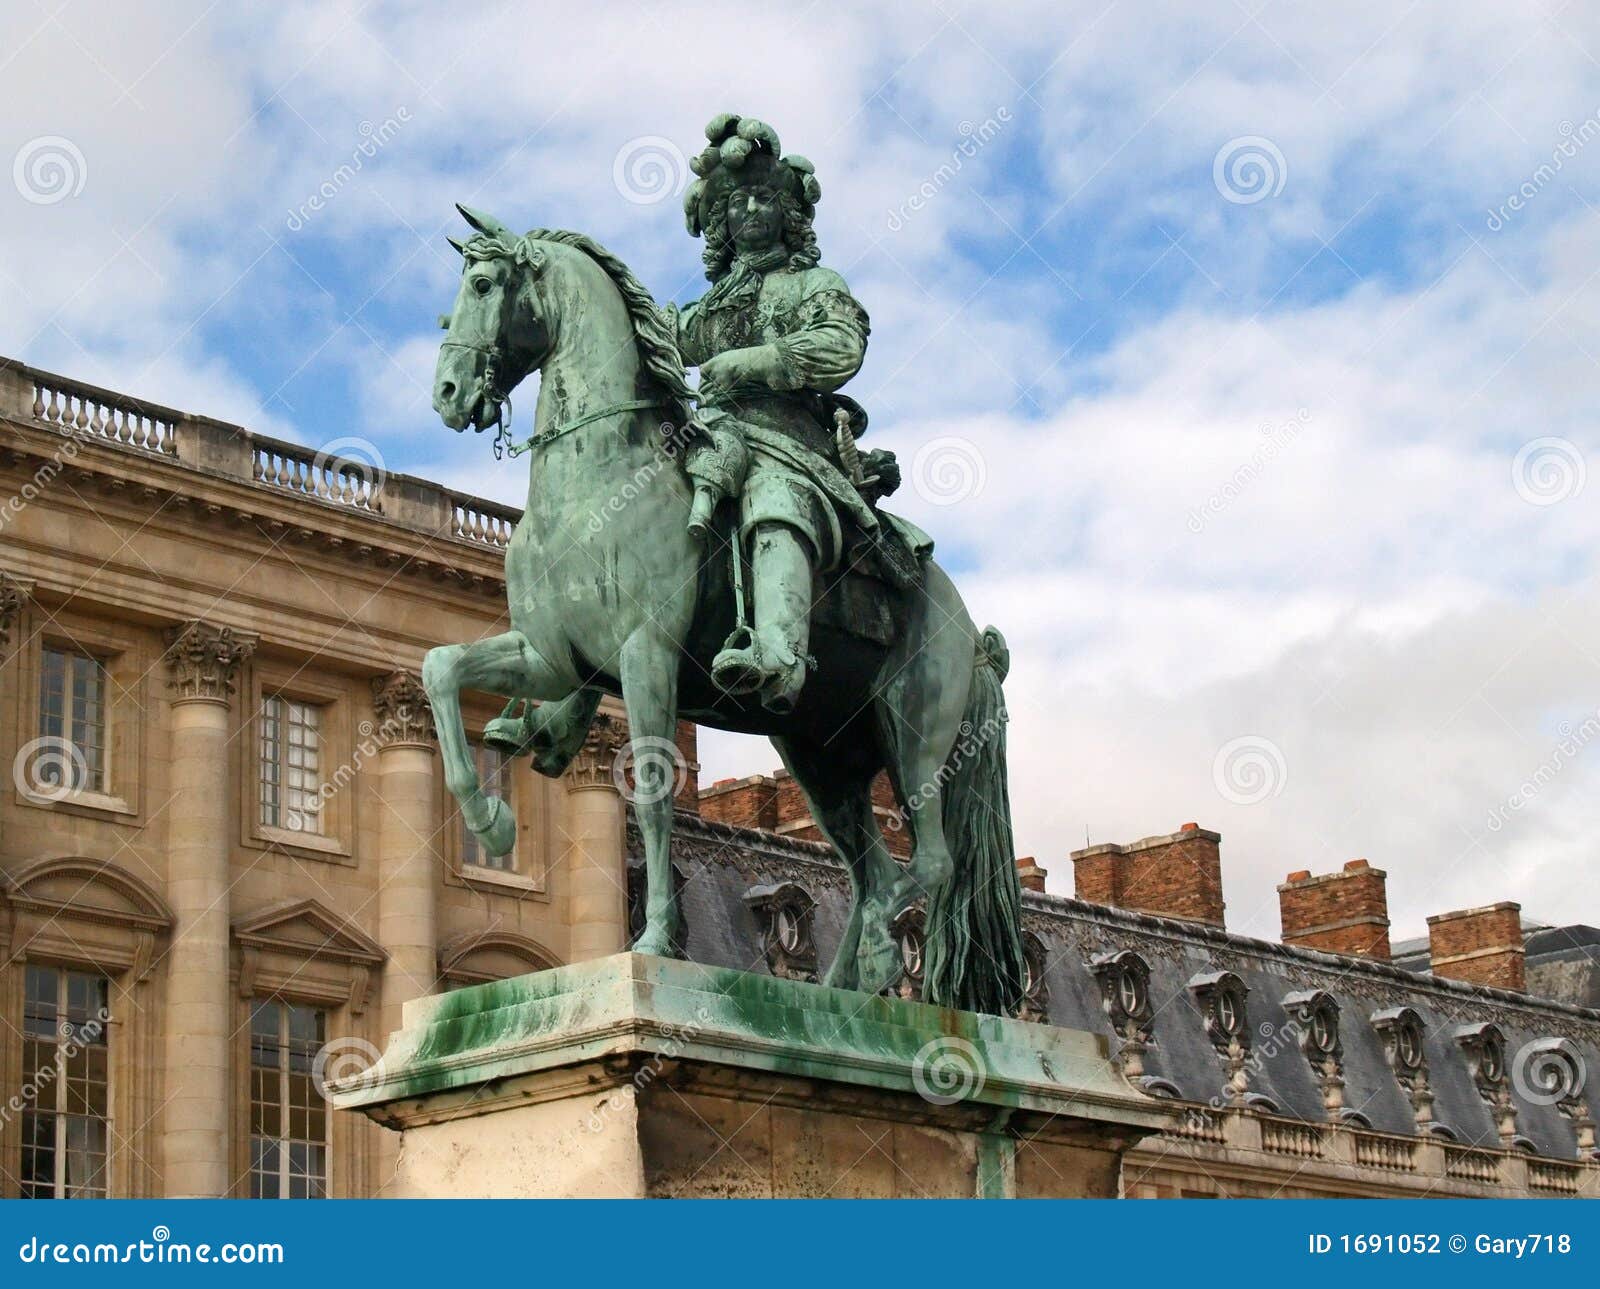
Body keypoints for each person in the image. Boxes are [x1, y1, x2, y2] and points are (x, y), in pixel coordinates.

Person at [669, 113, 901, 713]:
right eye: (737, 201)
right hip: (708, 437)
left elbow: (842, 346)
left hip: (789, 443)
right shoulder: (703, 311)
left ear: (787, 213)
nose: (750, 210)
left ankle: (777, 652)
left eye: (764, 198)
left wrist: (756, 362)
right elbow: (652, 350)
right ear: (719, 220)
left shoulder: (814, 284)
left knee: (773, 500)